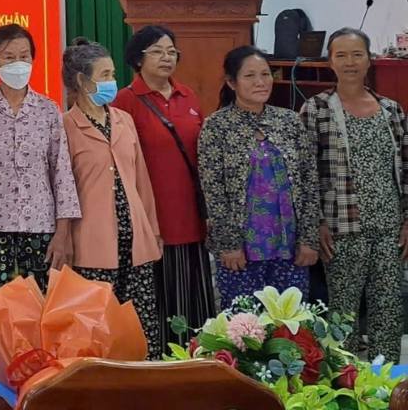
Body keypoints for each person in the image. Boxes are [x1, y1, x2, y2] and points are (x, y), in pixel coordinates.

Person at [302, 28, 408, 362]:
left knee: (389, 308)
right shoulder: (315, 109)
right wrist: (316, 223)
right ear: (331, 61)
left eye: (357, 54)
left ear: (369, 60)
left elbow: (405, 169)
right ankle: (343, 384)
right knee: (342, 313)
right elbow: (305, 174)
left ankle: (386, 384)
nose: (350, 62)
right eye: (341, 55)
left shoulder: (391, 110)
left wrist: (407, 220)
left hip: (390, 227)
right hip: (341, 228)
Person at [0, 24, 79, 292]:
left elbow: (62, 172)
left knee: (38, 305)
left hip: (39, 222)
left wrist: (63, 231)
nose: (18, 63)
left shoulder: (48, 110)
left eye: (24, 56)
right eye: (9, 57)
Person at [113, 26, 215, 348]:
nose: (166, 57)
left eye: (171, 51)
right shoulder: (126, 101)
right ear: (137, 58)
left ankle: (196, 365)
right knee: (157, 303)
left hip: (191, 217)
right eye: (157, 51)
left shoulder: (189, 96)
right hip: (150, 220)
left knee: (195, 301)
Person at [60, 38, 163, 359]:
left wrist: (153, 230)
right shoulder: (65, 126)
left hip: (136, 241)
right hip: (91, 244)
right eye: (104, 74)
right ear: (82, 80)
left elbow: (141, 179)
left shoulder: (124, 120)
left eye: (112, 73)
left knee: (140, 324)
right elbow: (62, 188)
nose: (111, 81)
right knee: (95, 329)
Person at [199, 46, 320, 307]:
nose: (260, 82)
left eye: (266, 74)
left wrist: (309, 239)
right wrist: (228, 244)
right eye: (250, 76)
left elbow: (309, 181)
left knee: (291, 328)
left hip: (289, 247)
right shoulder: (216, 126)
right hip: (241, 250)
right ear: (232, 82)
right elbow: (213, 191)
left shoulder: (289, 121)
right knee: (244, 331)